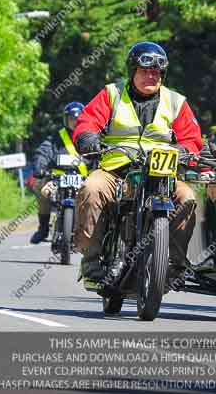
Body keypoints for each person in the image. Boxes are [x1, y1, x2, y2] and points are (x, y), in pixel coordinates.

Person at [73, 41, 203, 283]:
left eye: (156, 72)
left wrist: (186, 151)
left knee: (188, 199)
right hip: (117, 171)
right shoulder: (111, 94)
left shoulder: (176, 101)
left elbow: (192, 138)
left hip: (161, 175)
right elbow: (87, 121)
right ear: (132, 71)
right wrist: (88, 138)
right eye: (145, 71)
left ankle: (173, 265)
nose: (150, 76)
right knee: (91, 188)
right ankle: (90, 260)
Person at [28, 101, 89, 244]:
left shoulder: (89, 137)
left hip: (85, 180)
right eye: (71, 119)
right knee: (41, 187)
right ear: (66, 120)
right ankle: (43, 228)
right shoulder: (56, 139)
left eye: (77, 119)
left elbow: (100, 155)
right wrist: (39, 167)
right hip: (57, 180)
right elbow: (43, 152)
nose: (74, 122)